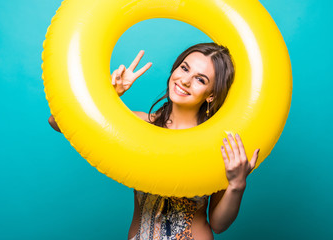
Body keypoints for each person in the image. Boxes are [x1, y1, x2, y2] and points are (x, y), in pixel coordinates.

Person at [48, 42, 260, 240]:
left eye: (200, 79)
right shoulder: (143, 126)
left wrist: (237, 184)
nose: (185, 80)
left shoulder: (218, 143)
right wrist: (109, 94)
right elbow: (58, 122)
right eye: (184, 68)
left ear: (211, 95)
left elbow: (219, 224)